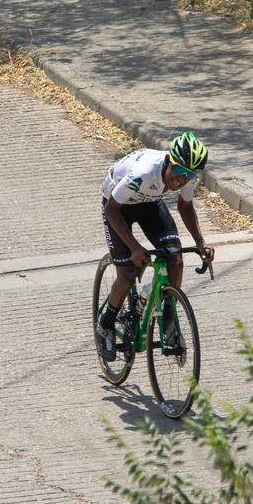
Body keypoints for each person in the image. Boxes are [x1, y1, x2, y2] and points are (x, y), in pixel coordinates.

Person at [96, 133, 214, 363]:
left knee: (175, 258)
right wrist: (135, 247)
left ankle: (168, 315)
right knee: (128, 275)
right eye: (179, 171)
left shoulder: (187, 175)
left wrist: (200, 242)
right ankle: (106, 323)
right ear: (169, 160)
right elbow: (111, 211)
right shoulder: (141, 174)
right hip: (118, 207)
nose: (182, 179)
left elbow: (185, 206)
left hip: (148, 203)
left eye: (189, 174)